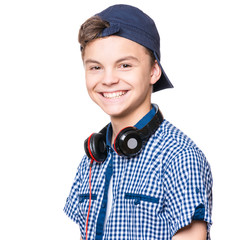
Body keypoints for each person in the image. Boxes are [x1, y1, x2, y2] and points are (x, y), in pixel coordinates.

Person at [64, 4, 213, 240]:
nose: (109, 79)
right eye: (96, 67)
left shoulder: (180, 157)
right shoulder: (93, 158)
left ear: (154, 71)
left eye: (124, 65)